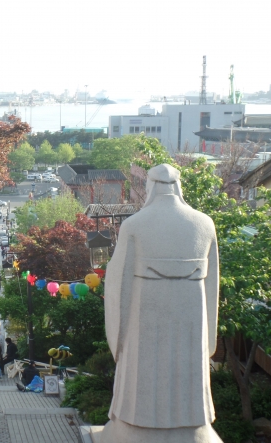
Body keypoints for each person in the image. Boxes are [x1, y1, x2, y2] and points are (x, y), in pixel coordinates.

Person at [102, 164, 220, 442]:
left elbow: (119, 283)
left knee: (142, 375)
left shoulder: (134, 225)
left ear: (150, 187)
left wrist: (117, 339)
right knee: (189, 375)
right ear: (179, 186)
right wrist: (209, 341)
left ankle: (133, 426)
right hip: (192, 318)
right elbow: (213, 285)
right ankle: (194, 427)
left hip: (145, 319)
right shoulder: (204, 223)